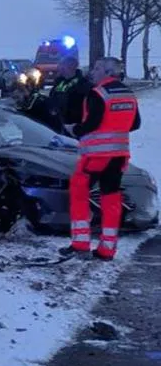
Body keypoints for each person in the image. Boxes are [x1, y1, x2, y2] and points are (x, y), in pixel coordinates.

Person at [61, 57, 141, 261]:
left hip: (96, 155)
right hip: (119, 156)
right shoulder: (128, 93)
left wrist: (74, 130)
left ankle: (80, 244)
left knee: (79, 192)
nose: (92, 72)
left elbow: (91, 124)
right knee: (111, 198)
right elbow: (135, 124)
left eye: (96, 68)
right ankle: (107, 249)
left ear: (107, 71)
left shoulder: (98, 94)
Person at [47, 55, 91, 132]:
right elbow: (52, 97)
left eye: (61, 64)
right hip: (58, 122)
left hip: (73, 124)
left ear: (69, 66)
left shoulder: (82, 83)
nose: (58, 67)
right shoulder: (59, 81)